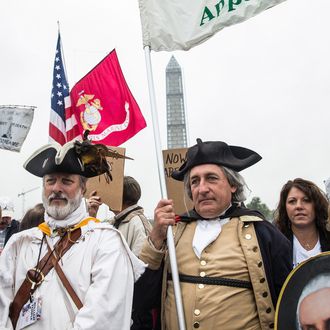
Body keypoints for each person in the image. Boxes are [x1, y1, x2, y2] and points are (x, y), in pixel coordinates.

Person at [134, 138, 292, 330]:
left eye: (211, 178)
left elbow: (288, 304)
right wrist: (156, 238)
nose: (202, 188)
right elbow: (141, 298)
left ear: (233, 184)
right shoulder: (172, 233)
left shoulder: (263, 233)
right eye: (195, 181)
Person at [0, 139, 145, 330]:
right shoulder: (19, 243)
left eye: (66, 181)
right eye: (50, 181)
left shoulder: (106, 241)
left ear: (83, 188)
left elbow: (103, 318)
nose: (57, 188)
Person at [88, 176, 153, 330]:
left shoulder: (137, 223)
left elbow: (142, 270)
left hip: (132, 311)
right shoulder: (115, 222)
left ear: (120, 195)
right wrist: (91, 215)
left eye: (112, 189)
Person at [274, 178, 330, 268]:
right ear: (285, 208)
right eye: (292, 201)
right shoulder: (275, 244)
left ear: (316, 205)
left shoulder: (328, 237)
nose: (299, 206)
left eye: (306, 200)